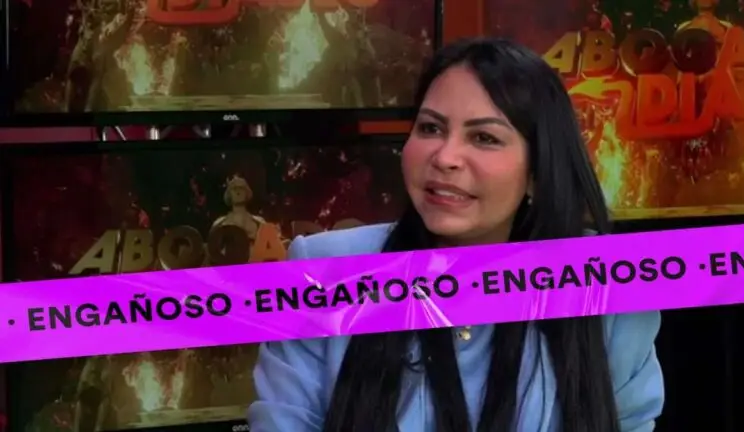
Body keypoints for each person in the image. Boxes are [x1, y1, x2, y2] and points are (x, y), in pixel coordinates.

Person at [248, 38, 664, 432]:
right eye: (430, 128)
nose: (445, 157)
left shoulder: (611, 285)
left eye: (484, 137)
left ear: (537, 171)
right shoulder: (319, 272)